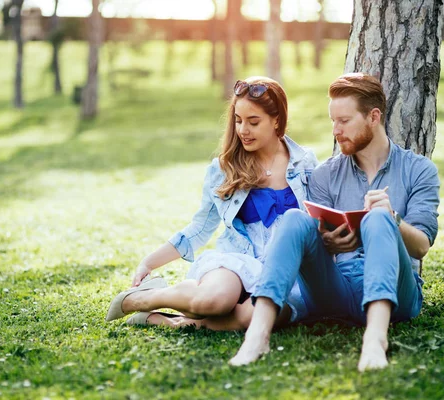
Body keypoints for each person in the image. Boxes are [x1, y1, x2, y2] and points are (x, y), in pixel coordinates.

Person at [229, 73, 440, 371]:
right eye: (332, 121)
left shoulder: (419, 171)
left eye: (343, 121)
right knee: (293, 218)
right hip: (337, 288)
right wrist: (328, 242)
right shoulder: (325, 174)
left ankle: (375, 339)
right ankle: (257, 335)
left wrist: (393, 219)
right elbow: (317, 240)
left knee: (379, 216)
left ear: (373, 117)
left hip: (397, 294)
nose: (335, 131)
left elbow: (421, 247)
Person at [105, 77, 318, 331]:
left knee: (251, 319)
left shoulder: (305, 163)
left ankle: (172, 323)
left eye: (253, 122)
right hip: (237, 262)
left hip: (287, 273)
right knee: (213, 301)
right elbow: (200, 227)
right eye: (238, 120)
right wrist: (149, 263)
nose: (243, 131)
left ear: (276, 120)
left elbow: (319, 223)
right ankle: (142, 299)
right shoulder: (224, 168)